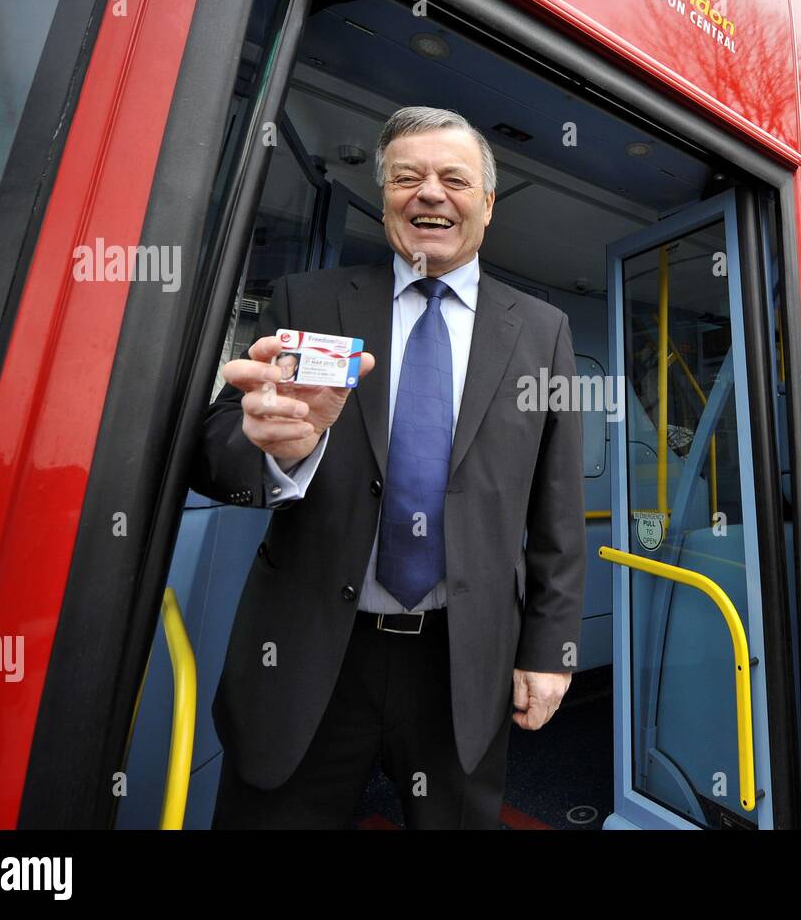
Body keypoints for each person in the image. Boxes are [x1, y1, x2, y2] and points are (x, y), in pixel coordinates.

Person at [191, 106, 586, 829]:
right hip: (309, 657)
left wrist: (552, 650)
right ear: (384, 200)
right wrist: (280, 451)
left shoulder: (542, 332)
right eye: (407, 176)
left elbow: (557, 513)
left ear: (487, 205)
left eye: (453, 179)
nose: (429, 193)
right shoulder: (307, 301)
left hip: (461, 664)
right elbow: (213, 452)